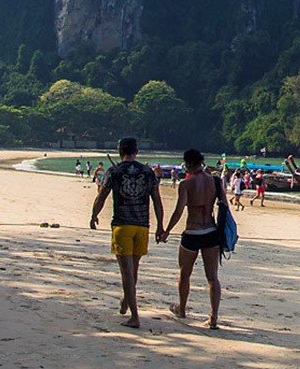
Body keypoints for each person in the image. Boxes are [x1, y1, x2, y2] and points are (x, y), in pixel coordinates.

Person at [90, 137, 163, 329]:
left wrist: (93, 215)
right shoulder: (147, 172)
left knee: (126, 273)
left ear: (119, 151)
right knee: (134, 270)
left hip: (122, 226)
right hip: (142, 226)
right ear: (136, 151)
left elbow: (101, 197)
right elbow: (157, 200)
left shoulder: (114, 171)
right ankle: (126, 300)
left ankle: (135, 316)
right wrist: (161, 225)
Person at [160, 148, 226, 330]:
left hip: (192, 232)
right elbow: (224, 208)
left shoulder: (186, 184)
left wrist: (166, 231)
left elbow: (179, 211)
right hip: (211, 232)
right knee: (213, 277)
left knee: (184, 274)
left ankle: (181, 309)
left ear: (188, 164)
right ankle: (213, 317)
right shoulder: (215, 181)